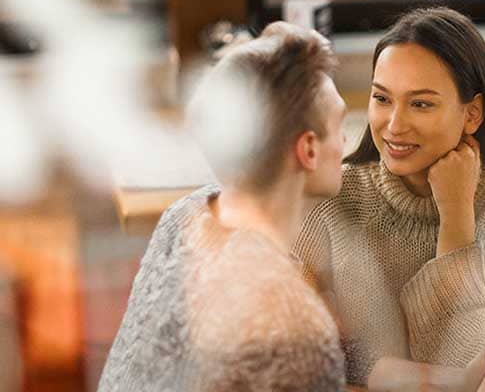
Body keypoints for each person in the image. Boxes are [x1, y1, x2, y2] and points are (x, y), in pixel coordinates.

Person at [293, 7, 485, 389]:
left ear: (472, 114)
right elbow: (297, 351)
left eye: (420, 103)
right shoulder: (331, 198)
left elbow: (474, 367)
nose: (395, 125)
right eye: (382, 98)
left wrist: (456, 214)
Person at [97, 22, 347, 392]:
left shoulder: (184, 214)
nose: (345, 140)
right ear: (308, 149)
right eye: (340, 123)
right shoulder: (299, 330)